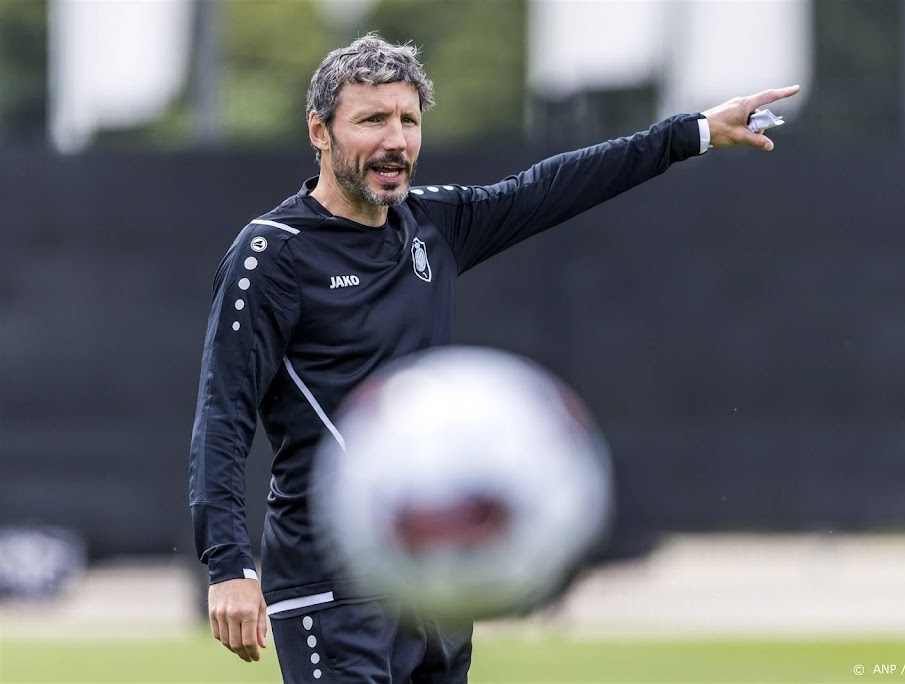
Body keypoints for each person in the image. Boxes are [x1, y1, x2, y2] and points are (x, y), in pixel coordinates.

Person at [188, 32, 799, 683]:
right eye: (371, 120)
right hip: (329, 583)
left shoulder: (431, 225)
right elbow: (224, 415)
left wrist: (695, 132)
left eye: (408, 120)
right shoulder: (273, 252)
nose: (395, 141)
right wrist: (228, 564)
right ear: (320, 130)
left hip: (435, 579)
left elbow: (550, 187)